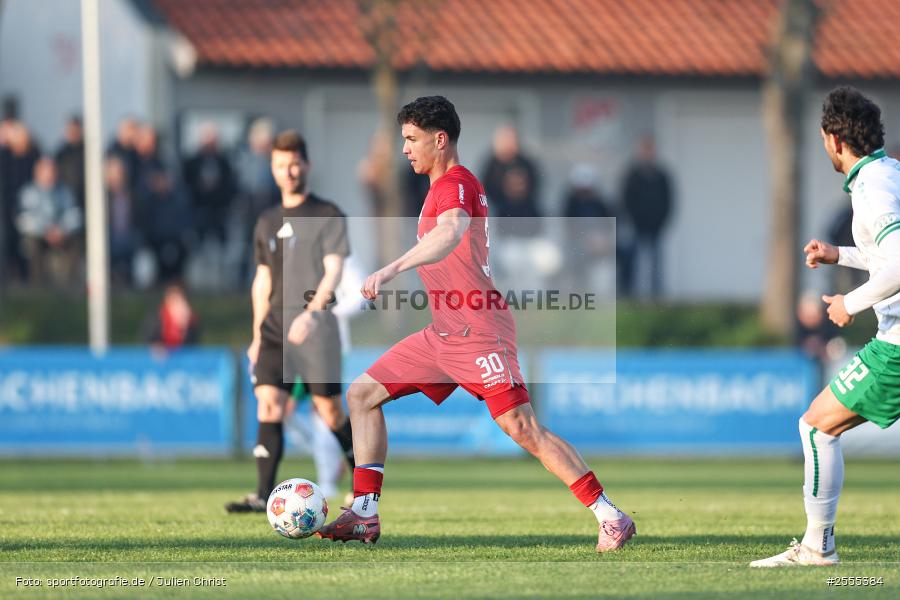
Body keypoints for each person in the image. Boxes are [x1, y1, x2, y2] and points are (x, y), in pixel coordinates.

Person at [316, 96, 634, 551]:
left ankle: (609, 515)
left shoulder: (456, 183)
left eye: (411, 139)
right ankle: (364, 513)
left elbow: (451, 232)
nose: (404, 149)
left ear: (439, 139)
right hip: (442, 332)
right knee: (362, 394)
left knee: (521, 428)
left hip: (479, 330)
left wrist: (390, 269)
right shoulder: (437, 186)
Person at [751, 86, 900, 567]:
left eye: (822, 139)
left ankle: (818, 548)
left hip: (897, 343)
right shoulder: (889, 174)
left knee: (816, 428)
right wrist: (840, 255)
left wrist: (850, 304)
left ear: (835, 139)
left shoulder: (874, 191)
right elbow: (885, 253)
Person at [225, 130, 355, 513]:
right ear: (273, 168)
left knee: (328, 410)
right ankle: (264, 493)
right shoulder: (266, 220)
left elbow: (334, 271)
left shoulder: (328, 215)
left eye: (295, 163)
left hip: (317, 330)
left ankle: (363, 483)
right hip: (274, 331)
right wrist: (255, 335)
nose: (289, 171)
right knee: (269, 405)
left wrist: (313, 314)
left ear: (307, 165)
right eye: (281, 165)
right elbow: (262, 281)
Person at [16, 156, 82, 286]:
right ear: (37, 173)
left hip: (62, 235)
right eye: (46, 171)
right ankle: (39, 286)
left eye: (52, 171)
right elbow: (23, 219)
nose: (50, 175)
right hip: (39, 236)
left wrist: (62, 230)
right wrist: (45, 230)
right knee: (32, 246)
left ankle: (69, 286)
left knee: (77, 244)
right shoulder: (28, 192)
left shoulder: (64, 192)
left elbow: (75, 215)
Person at [620, 135, 673, 298]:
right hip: (637, 225)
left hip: (655, 226)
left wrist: (661, 221)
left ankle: (656, 297)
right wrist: (632, 219)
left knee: (656, 263)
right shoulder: (633, 175)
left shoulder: (661, 175)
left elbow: (668, 201)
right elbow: (626, 199)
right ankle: (631, 295)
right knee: (633, 261)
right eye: (644, 149)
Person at [142, 281, 200, 351]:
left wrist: (184, 328)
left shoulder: (191, 320)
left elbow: (193, 347)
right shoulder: (157, 317)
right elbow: (147, 340)